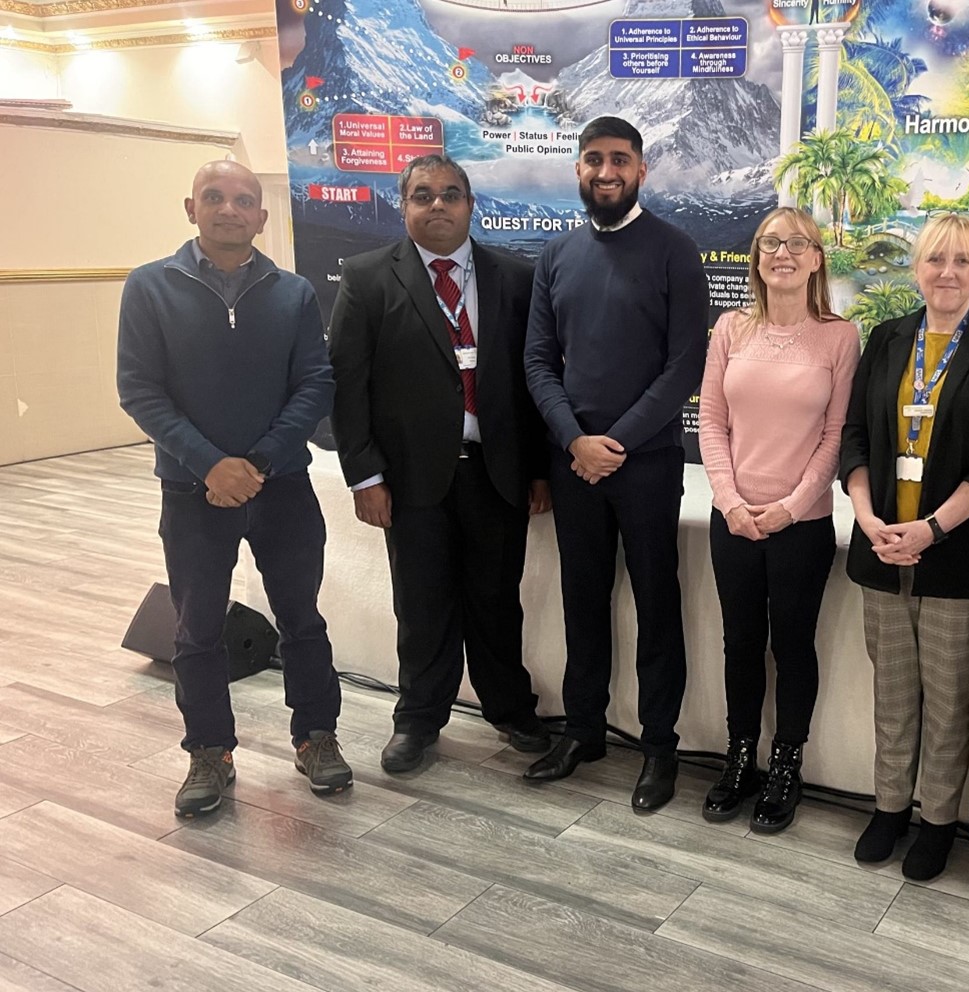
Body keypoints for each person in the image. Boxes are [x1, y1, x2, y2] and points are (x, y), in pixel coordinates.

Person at [117, 160, 350, 816]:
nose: (229, 209)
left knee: (301, 620)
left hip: (283, 491)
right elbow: (139, 389)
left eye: (243, 200)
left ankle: (316, 737)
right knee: (196, 630)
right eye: (214, 198)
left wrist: (261, 464)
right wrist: (210, 466)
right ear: (190, 208)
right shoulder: (148, 288)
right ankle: (209, 753)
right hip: (194, 493)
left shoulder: (293, 293)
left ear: (261, 216)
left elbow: (314, 384)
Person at [329, 154, 551, 774]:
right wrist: (365, 476)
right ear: (403, 205)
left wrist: (537, 469)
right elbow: (348, 384)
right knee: (422, 605)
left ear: (470, 205)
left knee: (497, 602)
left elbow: (532, 382)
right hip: (410, 480)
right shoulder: (369, 277)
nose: (437, 205)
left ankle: (510, 710)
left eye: (451, 195)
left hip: (496, 473)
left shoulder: (513, 277)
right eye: (422, 195)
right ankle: (419, 719)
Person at [523, 116, 708, 810]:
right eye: (594, 160)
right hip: (574, 464)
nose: (606, 171)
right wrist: (575, 441)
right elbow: (538, 361)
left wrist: (617, 443)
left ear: (641, 170)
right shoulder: (556, 257)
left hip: (648, 463)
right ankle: (582, 730)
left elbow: (683, 363)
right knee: (581, 602)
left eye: (620, 160)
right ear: (578, 169)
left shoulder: (673, 250)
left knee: (658, 607)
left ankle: (659, 749)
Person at [839, 214, 969, 879]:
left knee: (950, 702)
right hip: (882, 547)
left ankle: (936, 821)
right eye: (934, 260)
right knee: (893, 694)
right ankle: (889, 807)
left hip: (958, 553)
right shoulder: (887, 337)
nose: (946, 273)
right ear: (915, 268)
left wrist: (933, 528)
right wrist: (866, 518)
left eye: (961, 261)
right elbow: (855, 436)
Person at [696, 208, 859, 832]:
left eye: (796, 243)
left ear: (817, 258)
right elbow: (712, 421)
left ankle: (786, 763)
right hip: (731, 520)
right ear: (756, 257)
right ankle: (740, 757)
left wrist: (791, 507)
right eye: (769, 243)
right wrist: (732, 503)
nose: (781, 253)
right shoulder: (730, 329)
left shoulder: (840, 337)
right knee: (740, 642)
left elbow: (836, 434)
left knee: (792, 646)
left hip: (803, 523)